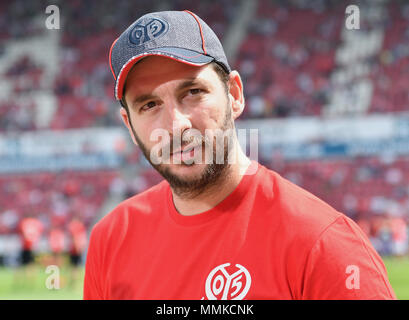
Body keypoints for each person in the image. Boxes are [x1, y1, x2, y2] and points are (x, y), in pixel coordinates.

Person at [84, 10, 396, 300]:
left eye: (192, 92)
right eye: (149, 105)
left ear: (234, 94)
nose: (176, 125)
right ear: (129, 125)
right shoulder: (111, 239)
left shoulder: (324, 244)